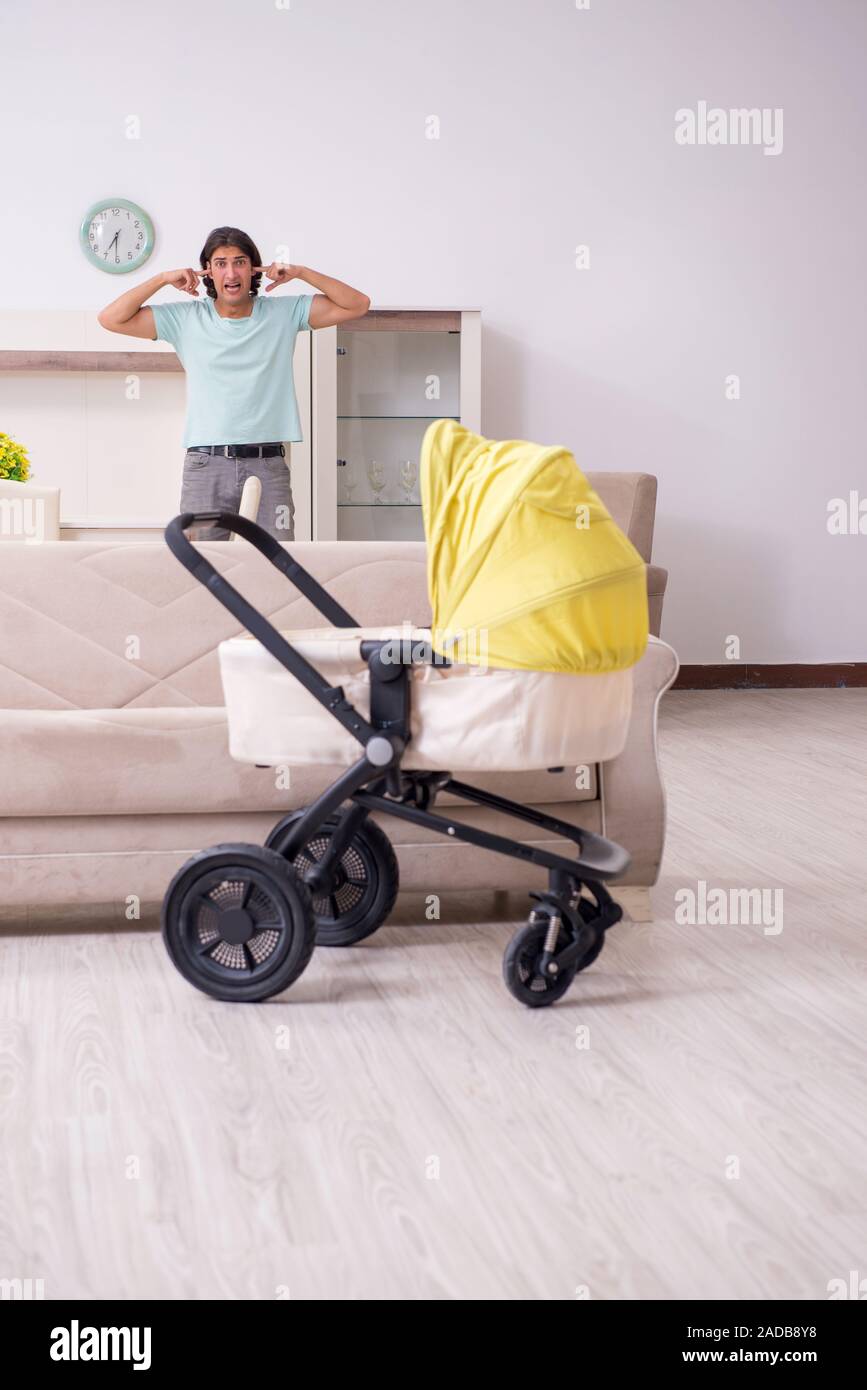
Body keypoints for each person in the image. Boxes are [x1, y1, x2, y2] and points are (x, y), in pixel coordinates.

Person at [97, 225, 370, 539]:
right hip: (206, 466)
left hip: (268, 465)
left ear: (254, 269)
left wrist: (301, 272)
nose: (231, 273)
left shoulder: (284, 312)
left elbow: (357, 304)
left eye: (240, 262)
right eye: (220, 263)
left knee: (277, 560)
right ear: (207, 271)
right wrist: (162, 279)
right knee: (201, 561)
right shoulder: (185, 318)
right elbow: (111, 318)